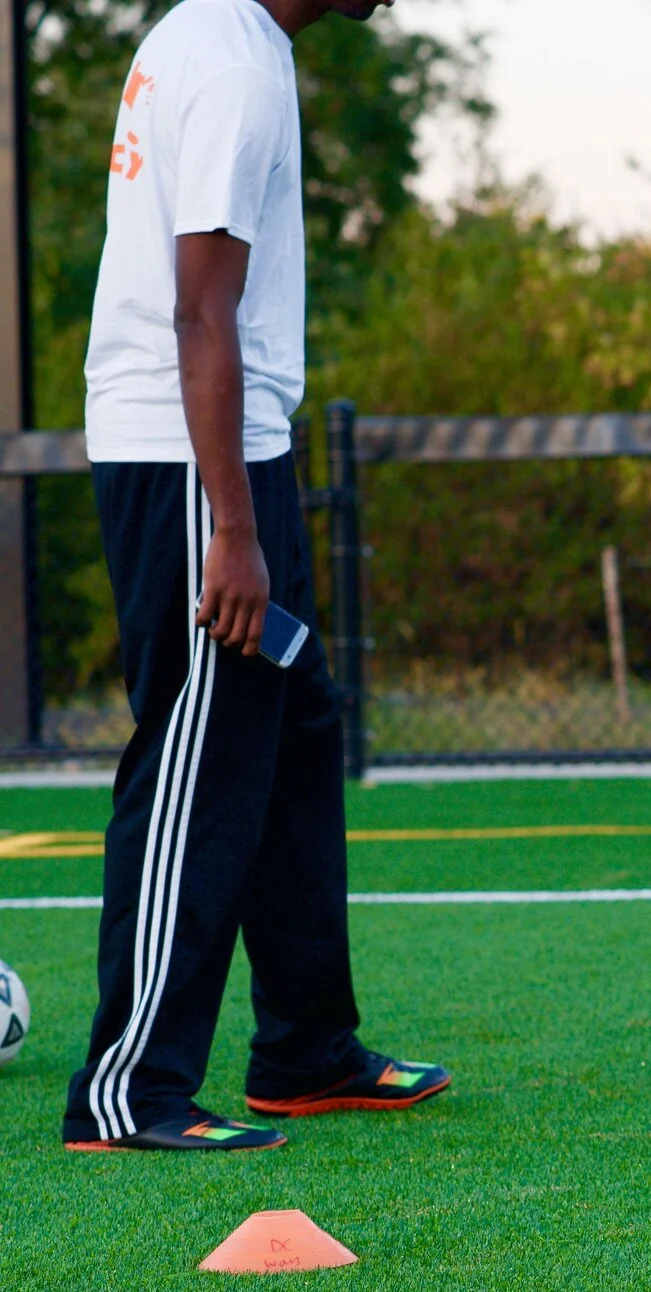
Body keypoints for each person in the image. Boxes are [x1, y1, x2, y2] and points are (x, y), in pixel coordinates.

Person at [65, 0, 447, 1153]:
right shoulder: (231, 59)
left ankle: (305, 1049)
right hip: (194, 462)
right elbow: (198, 305)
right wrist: (231, 522)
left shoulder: (219, 34)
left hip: (239, 451)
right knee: (201, 752)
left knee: (294, 733)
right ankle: (129, 1090)